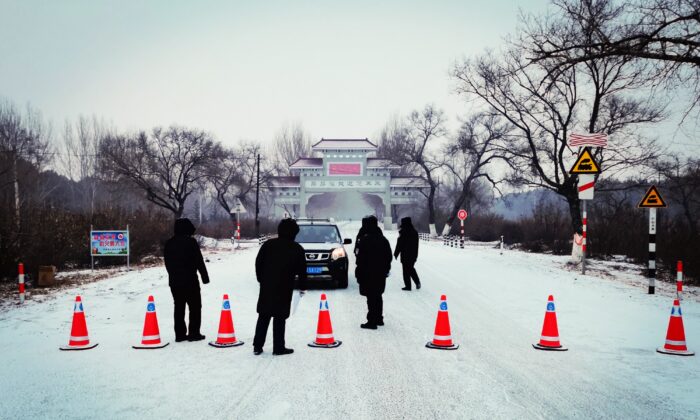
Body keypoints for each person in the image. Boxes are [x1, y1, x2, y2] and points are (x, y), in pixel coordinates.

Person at [253, 218, 306, 356]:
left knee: (263, 315)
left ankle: (257, 346)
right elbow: (302, 271)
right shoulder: (297, 249)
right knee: (280, 317)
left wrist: (261, 279)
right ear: (294, 233)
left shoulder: (268, 245)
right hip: (285, 287)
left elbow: (258, 263)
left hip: (267, 285)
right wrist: (302, 286)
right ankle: (278, 347)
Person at [164, 218, 210, 342]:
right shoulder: (191, 242)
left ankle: (180, 335)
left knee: (178, 307)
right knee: (195, 307)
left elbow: (167, 263)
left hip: (175, 282)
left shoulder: (169, 243)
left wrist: (173, 275)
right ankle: (194, 333)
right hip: (190, 281)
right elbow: (199, 261)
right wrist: (205, 278)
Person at [355, 216, 392, 329]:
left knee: (370, 297)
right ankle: (379, 318)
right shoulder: (383, 239)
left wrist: (359, 272)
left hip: (367, 273)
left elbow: (360, 258)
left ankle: (371, 321)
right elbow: (389, 256)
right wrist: (385, 269)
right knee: (378, 295)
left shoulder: (364, 240)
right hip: (381, 273)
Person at [394, 216, 421, 291]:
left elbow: (399, 244)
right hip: (413, 254)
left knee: (406, 270)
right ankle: (417, 282)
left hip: (405, 254)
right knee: (411, 268)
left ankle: (408, 286)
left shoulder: (403, 232)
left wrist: (396, 253)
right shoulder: (414, 232)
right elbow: (416, 244)